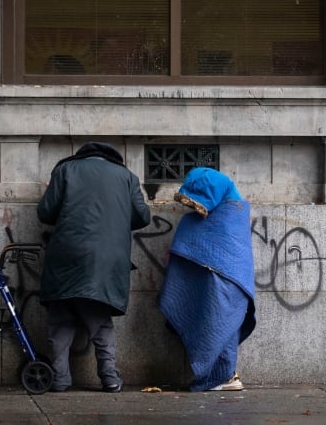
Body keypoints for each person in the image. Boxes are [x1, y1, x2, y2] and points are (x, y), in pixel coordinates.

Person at [37, 142, 151, 393]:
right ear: (112, 158)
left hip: (66, 255)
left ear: (82, 155)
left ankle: (59, 379)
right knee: (99, 320)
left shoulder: (65, 170)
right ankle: (109, 377)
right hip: (107, 259)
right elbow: (143, 216)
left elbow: (45, 212)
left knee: (60, 320)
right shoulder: (127, 176)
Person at [158, 167, 256, 391]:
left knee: (219, 323)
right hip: (230, 278)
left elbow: (206, 240)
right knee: (223, 324)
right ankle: (226, 375)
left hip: (226, 278)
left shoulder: (230, 213)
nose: (193, 209)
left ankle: (220, 376)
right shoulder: (232, 209)